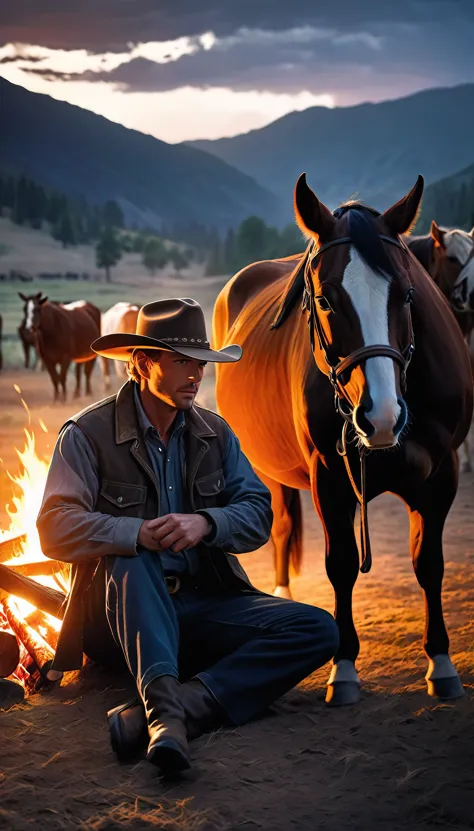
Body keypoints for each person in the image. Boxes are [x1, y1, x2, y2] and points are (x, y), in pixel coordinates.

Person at [37, 298, 339, 775]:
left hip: (201, 606)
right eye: (181, 362)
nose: (196, 375)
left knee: (319, 628)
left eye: (199, 363)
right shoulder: (87, 434)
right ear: (142, 363)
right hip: (118, 618)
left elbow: (258, 511)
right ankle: (165, 714)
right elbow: (54, 527)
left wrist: (207, 524)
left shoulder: (215, 434)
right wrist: (136, 532)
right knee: (132, 556)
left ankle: (176, 711)